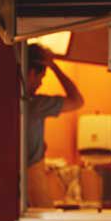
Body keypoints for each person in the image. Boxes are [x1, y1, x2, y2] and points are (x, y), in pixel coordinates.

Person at [23, 44, 84, 208]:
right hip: (33, 186)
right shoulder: (35, 105)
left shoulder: (2, 101)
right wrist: (54, 66)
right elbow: (77, 101)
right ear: (31, 73)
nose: (40, 84)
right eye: (41, 78)